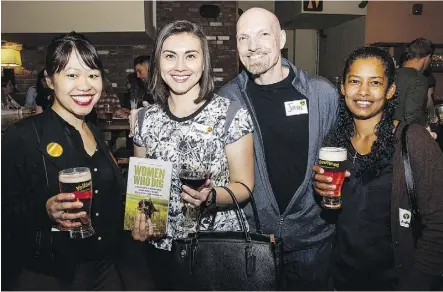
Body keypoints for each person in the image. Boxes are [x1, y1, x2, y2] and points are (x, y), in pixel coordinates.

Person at [216, 7, 340, 290]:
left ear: (281, 38)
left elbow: (348, 154)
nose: (252, 46)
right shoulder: (227, 99)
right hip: (253, 240)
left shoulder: (321, 93)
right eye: (243, 38)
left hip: (312, 239)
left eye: (263, 35)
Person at [131, 20, 255, 290]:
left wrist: (210, 196)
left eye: (190, 56)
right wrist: (142, 220)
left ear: (203, 62)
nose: (180, 67)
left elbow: (244, 186)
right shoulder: (143, 120)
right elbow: (145, 189)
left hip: (216, 245)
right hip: (162, 246)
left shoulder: (231, 115)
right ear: (158, 62)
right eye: (170, 56)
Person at [2, 32, 126, 290]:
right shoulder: (23, 136)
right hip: (53, 275)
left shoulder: (94, 130)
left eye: (93, 75)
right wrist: (44, 210)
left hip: (106, 267)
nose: (85, 86)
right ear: (49, 80)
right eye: (72, 75)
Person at [314, 46, 443, 290]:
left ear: (390, 90)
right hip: (341, 280)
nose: (363, 91)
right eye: (354, 81)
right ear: (342, 87)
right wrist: (321, 192)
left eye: (374, 82)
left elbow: (438, 226)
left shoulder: (413, 140)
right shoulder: (336, 143)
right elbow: (343, 217)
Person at [394, 38, 434, 126]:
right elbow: (412, 117)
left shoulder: (392, 74)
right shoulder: (419, 79)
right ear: (427, 57)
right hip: (406, 134)